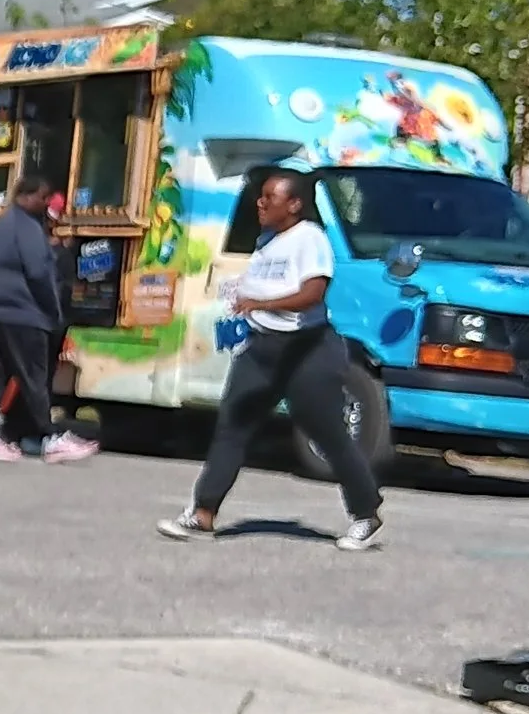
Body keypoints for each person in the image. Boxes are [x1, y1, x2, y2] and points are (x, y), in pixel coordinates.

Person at [159, 167, 382, 549]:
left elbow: (313, 294)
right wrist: (239, 307)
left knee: (327, 432)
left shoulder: (309, 238)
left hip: (307, 350)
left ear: (294, 204)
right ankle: (203, 513)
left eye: (269, 198)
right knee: (233, 425)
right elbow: (259, 288)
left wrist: (261, 303)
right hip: (262, 349)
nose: (259, 203)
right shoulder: (267, 240)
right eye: (259, 196)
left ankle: (366, 514)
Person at [0, 175, 97, 462]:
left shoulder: (0, 226)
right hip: (26, 314)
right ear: (25, 196)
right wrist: (52, 309)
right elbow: (39, 273)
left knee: (0, 374)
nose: (45, 203)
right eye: (41, 197)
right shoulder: (28, 228)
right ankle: (49, 438)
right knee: (35, 376)